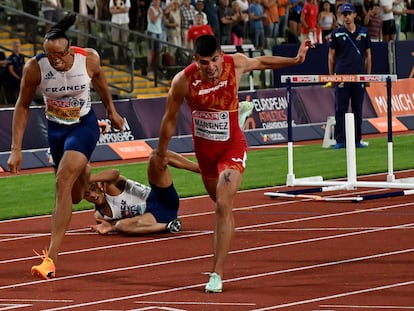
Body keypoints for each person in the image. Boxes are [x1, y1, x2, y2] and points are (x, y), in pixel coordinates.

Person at [155, 34, 313, 293]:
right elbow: (169, 119)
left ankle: (216, 273)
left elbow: (262, 62)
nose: (211, 67)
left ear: (221, 55)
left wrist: (295, 60)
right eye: (205, 62)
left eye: (215, 60)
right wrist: (162, 152)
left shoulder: (234, 63)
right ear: (196, 60)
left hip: (232, 146)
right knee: (219, 205)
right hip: (205, 153)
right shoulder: (183, 81)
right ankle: (237, 115)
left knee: (223, 205)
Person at [7, 13, 124, 280]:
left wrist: (112, 111)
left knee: (62, 182)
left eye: (59, 55)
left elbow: (102, 86)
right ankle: (86, 173)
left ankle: (50, 259)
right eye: (49, 55)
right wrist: (16, 148)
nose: (55, 60)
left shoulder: (89, 59)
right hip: (57, 131)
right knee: (73, 195)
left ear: (69, 49)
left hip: (84, 127)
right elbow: (22, 106)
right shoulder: (35, 68)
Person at [85, 150, 200, 235]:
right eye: (87, 194)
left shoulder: (110, 186)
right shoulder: (100, 215)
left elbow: (114, 172)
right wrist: (111, 227)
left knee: (156, 156)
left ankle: (204, 170)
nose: (92, 195)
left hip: (160, 197)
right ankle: (170, 226)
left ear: (99, 187)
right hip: (155, 217)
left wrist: (87, 179)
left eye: (93, 190)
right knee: (121, 226)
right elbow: (126, 223)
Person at [328, 3, 371, 150]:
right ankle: (340, 140)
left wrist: (368, 77)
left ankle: (357, 139)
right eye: (344, 14)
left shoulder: (364, 32)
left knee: (358, 109)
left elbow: (368, 55)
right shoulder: (337, 33)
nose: (346, 17)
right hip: (342, 76)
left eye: (349, 13)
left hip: (359, 76)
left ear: (354, 15)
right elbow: (331, 57)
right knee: (341, 108)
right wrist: (331, 77)